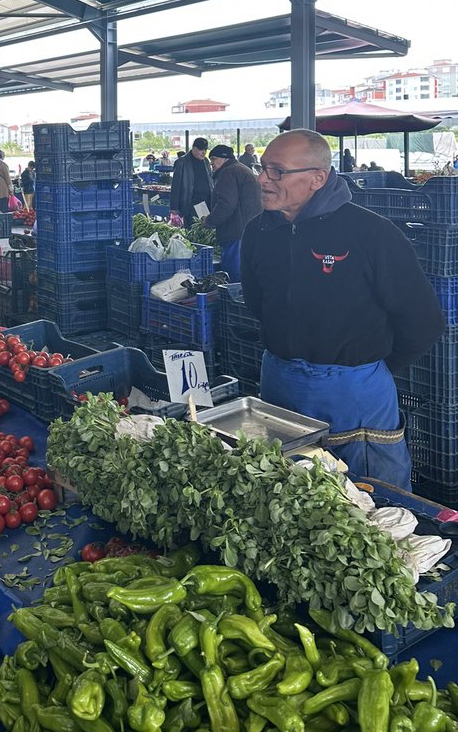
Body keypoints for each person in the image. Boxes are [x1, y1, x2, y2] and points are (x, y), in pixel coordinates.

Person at [240, 129, 445, 489]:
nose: (262, 179)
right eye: (262, 168)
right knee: (283, 491)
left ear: (317, 178)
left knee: (370, 500)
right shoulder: (258, 231)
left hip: (354, 389)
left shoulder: (371, 233)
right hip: (279, 379)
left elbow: (423, 320)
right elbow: (258, 301)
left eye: (276, 171)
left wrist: (369, 366)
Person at [203, 145, 262, 282]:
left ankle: (233, 302)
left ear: (225, 158)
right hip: (247, 228)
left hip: (236, 231)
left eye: (214, 158)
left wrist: (209, 221)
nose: (211, 162)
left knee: (233, 276)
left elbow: (226, 204)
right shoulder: (240, 169)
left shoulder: (228, 172)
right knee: (246, 273)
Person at [169, 137, 213, 225]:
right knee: (192, 228)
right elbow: (176, 185)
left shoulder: (206, 161)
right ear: (194, 149)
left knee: (204, 229)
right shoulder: (182, 162)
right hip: (190, 203)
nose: (203, 152)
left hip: (206, 202)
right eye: (200, 149)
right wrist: (174, 208)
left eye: (205, 149)